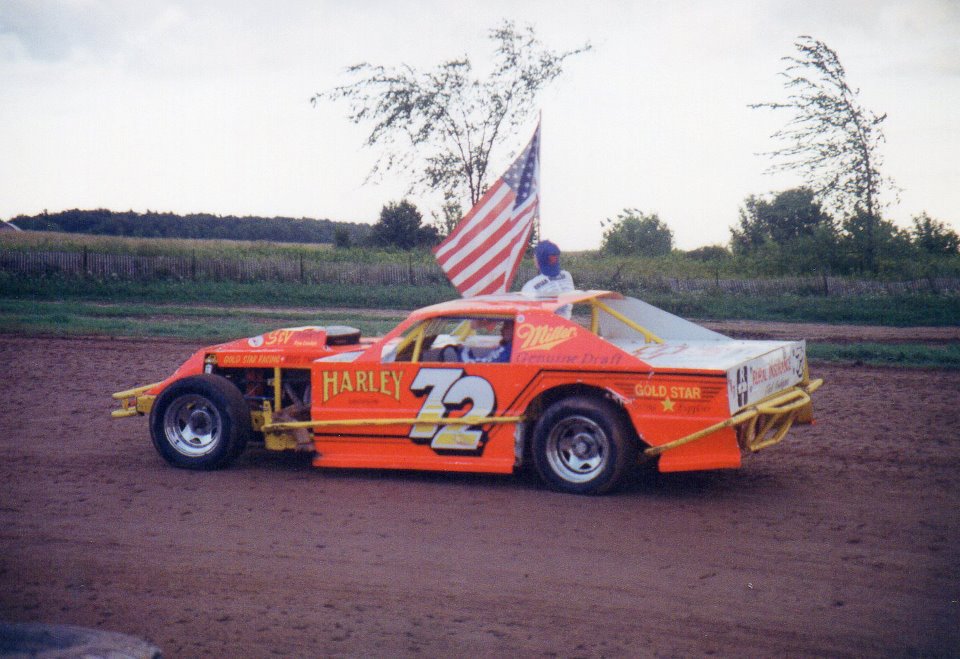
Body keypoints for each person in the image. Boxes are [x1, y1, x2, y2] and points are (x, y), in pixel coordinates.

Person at [521, 240, 575, 318]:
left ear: (537, 260)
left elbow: (524, 312)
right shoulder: (567, 276)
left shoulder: (530, 286)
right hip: (566, 326)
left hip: (542, 328)